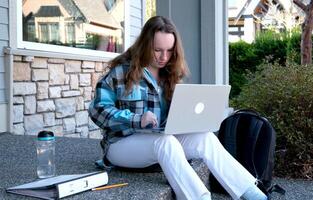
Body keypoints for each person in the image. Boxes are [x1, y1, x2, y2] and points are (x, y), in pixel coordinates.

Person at [89, 16, 267, 200]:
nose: (163, 57)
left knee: (205, 138)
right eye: (157, 50)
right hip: (121, 145)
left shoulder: (170, 74)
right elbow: (97, 110)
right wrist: (136, 119)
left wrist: (193, 121)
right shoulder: (121, 72)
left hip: (160, 141)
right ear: (144, 45)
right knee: (165, 142)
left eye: (169, 50)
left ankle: (254, 195)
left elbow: (175, 119)